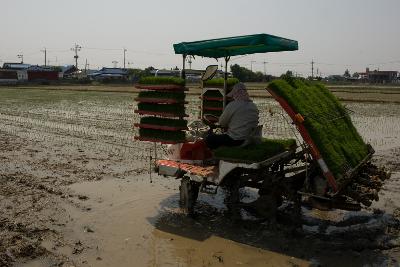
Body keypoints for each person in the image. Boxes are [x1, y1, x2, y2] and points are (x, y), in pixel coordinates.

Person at [205, 82, 259, 149]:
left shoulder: (233, 105)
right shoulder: (253, 106)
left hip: (236, 139)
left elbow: (222, 123)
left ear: (235, 94)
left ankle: (214, 155)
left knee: (210, 138)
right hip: (249, 138)